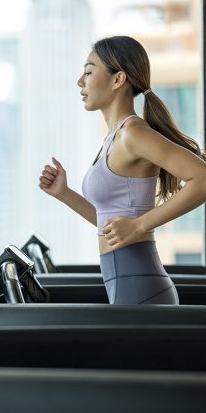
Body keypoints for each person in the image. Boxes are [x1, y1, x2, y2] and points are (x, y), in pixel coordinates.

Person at [38, 35, 206, 305]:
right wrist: (64, 193)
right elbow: (112, 225)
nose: (80, 81)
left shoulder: (133, 134)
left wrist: (140, 225)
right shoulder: (113, 138)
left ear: (118, 80)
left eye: (89, 71)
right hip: (129, 285)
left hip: (141, 289)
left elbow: (203, 179)